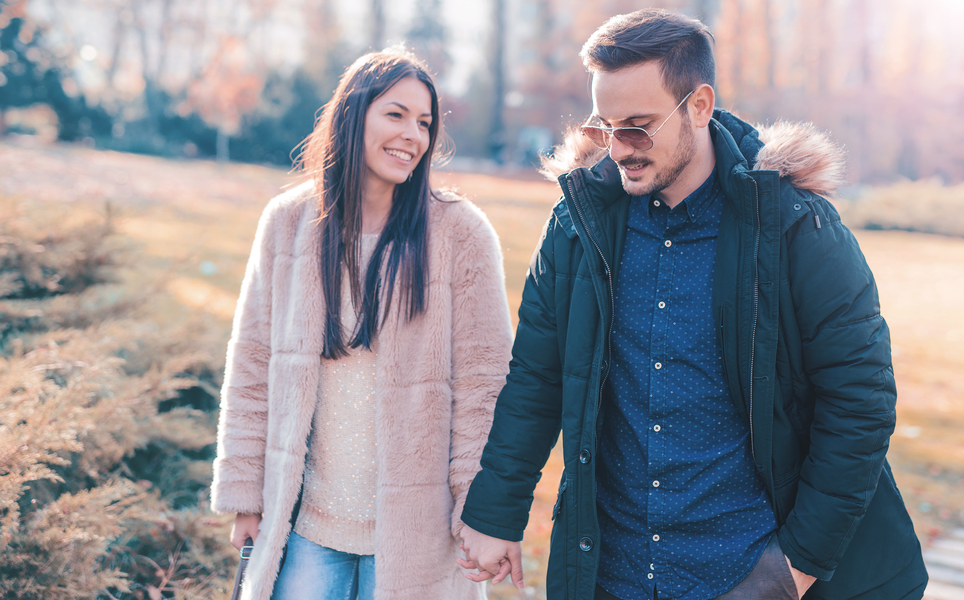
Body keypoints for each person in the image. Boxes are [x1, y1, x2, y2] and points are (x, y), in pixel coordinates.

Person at [457, 9, 927, 600]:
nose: (619, 148)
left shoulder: (795, 227)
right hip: (613, 576)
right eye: (606, 127)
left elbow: (859, 402)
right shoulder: (577, 228)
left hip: (753, 577)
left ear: (700, 105)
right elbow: (536, 377)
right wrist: (495, 512)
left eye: (639, 126)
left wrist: (794, 569)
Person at [211, 47, 513, 600]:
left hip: (418, 536)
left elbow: (484, 386)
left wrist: (481, 509)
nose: (413, 136)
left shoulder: (460, 233)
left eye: (424, 122)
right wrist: (246, 498)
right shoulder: (287, 224)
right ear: (354, 114)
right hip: (305, 529)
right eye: (395, 114)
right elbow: (251, 364)